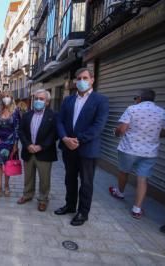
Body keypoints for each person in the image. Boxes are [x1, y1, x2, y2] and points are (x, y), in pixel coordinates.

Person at [54, 67, 109, 226]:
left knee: (86, 183)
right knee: (69, 179)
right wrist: (64, 138)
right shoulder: (68, 100)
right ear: (75, 82)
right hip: (68, 148)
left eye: (85, 78)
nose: (82, 81)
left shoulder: (100, 100)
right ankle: (70, 205)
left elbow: (98, 126)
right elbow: (59, 121)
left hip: (87, 149)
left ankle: (83, 213)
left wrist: (77, 140)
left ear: (92, 80)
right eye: (79, 78)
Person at [110, 89, 165, 219]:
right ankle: (137, 209)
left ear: (140, 98)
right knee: (142, 179)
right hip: (150, 152)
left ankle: (120, 192)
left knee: (123, 172)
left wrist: (115, 131)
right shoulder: (164, 113)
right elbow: (163, 134)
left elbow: (122, 129)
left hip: (129, 149)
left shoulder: (132, 109)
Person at [17, 89, 57, 211]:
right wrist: (28, 145)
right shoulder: (27, 115)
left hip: (44, 152)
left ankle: (43, 199)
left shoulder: (53, 116)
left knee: (44, 178)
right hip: (28, 151)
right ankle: (28, 194)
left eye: (41, 99)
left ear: (47, 102)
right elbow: (21, 131)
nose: (38, 101)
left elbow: (54, 134)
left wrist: (41, 146)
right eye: (36, 98)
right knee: (28, 176)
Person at [0, 91, 20, 199]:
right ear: (1, 99)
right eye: (4, 97)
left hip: (10, 142)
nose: (6, 98)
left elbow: (17, 129)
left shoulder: (15, 111)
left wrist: (16, 144)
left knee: (8, 164)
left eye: (8, 96)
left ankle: (7, 186)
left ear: (12, 98)